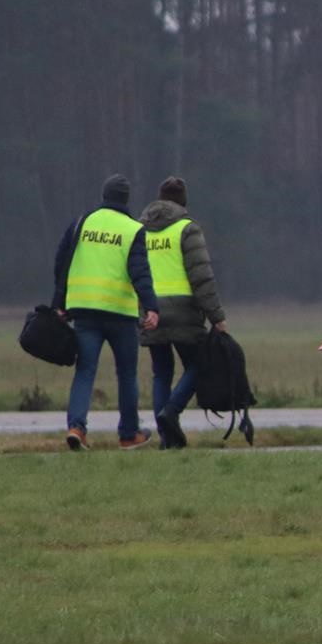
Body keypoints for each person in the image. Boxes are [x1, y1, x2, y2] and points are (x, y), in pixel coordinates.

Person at [53, 174, 160, 450]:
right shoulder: (133, 229)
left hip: (85, 311)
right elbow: (140, 272)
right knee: (126, 374)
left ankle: (76, 428)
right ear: (126, 199)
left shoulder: (82, 223)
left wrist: (59, 302)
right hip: (120, 313)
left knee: (85, 371)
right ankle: (129, 434)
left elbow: (62, 261)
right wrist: (151, 307)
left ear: (104, 195)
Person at [139, 176, 227, 449]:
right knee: (199, 365)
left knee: (161, 372)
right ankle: (172, 411)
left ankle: (167, 438)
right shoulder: (187, 229)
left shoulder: (140, 229)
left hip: (150, 311)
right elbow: (202, 278)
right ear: (183, 201)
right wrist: (216, 317)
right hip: (184, 313)